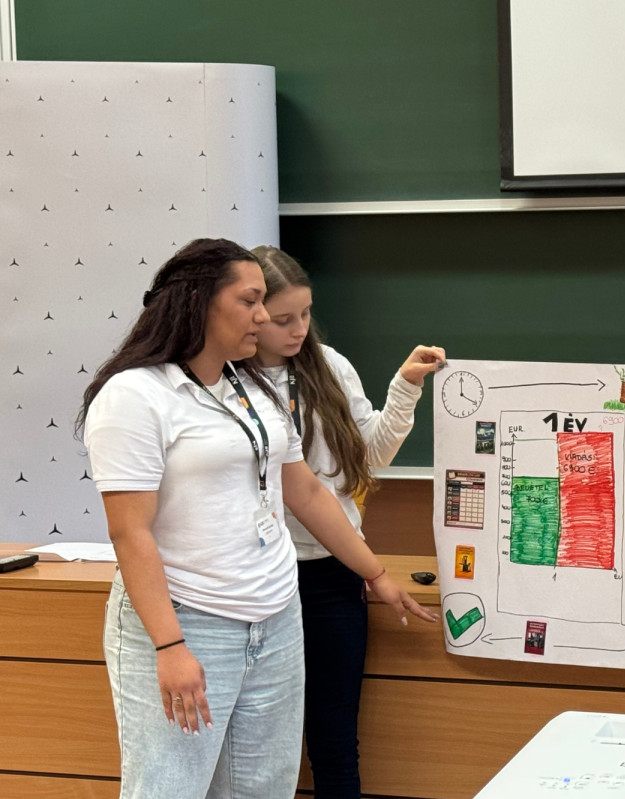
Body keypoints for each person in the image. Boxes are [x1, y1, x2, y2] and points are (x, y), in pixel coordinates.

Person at [77, 238, 436, 799]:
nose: (264, 317)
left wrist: (375, 573)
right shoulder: (136, 395)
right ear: (199, 303)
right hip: (191, 619)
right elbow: (130, 531)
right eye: (250, 302)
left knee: (264, 788)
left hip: (276, 617)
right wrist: (169, 646)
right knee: (171, 788)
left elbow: (306, 492)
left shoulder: (251, 388)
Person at [251, 244, 444, 798]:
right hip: (259, 578)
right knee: (258, 744)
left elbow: (371, 455)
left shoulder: (329, 365)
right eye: (283, 319)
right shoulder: (225, 381)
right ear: (251, 315)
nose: (298, 329)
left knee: (334, 741)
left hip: (334, 574)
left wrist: (405, 387)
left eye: (306, 313)